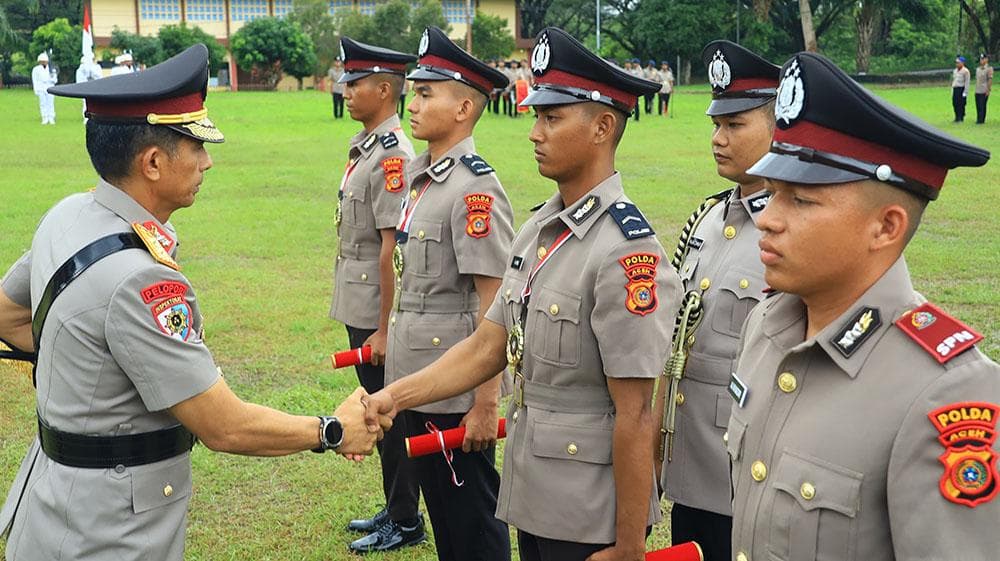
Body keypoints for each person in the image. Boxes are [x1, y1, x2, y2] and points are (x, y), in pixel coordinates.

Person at [0, 45, 387, 561]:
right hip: (107, 533)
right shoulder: (142, 282)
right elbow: (223, 425)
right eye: (196, 146)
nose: (208, 161)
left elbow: (7, 313)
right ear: (153, 162)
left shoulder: (67, 214)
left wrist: (86, 370)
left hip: (50, 503)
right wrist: (332, 431)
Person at [366, 26, 680, 561]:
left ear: (603, 126)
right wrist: (390, 398)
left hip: (588, 513)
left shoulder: (626, 255)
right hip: (532, 492)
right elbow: (489, 346)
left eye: (551, 117)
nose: (534, 131)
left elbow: (638, 414)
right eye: (536, 115)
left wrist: (629, 544)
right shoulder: (541, 229)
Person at [728, 51, 996, 561]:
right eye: (772, 193)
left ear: (886, 226)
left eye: (801, 200)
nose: (767, 219)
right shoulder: (767, 326)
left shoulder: (945, 392)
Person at [379, 26, 514, 561]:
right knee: (444, 516)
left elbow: (495, 299)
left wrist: (485, 402)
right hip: (420, 375)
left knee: (472, 527)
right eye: (414, 91)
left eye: (425, 92)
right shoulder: (425, 178)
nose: (411, 103)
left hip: (457, 388)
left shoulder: (473, 188)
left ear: (463, 108)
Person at [652, 40, 779, 561]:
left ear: (780, 128)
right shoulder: (709, 218)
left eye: (735, 126)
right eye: (716, 125)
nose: (717, 139)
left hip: (751, 474)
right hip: (691, 467)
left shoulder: (790, 233)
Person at [330, 37, 425, 554]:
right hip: (362, 301)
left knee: (387, 414)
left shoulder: (393, 156)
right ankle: (396, 505)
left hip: (377, 310)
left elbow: (392, 249)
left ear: (385, 89)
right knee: (376, 408)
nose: (345, 90)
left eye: (355, 81)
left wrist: (386, 328)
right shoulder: (368, 145)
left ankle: (407, 521)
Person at [76, 54, 103, 122]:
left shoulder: (97, 67)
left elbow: (99, 77)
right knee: (85, 103)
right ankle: (86, 118)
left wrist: (92, 73)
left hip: (95, 88)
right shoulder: (80, 70)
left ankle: (96, 116)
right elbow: (79, 80)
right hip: (85, 88)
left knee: (96, 103)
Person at [31, 53, 56, 125]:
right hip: (41, 87)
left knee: (50, 103)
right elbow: (34, 80)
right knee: (43, 103)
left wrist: (52, 77)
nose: (43, 62)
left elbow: (55, 79)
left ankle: (51, 117)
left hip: (50, 87)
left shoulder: (51, 69)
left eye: (45, 61)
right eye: (42, 61)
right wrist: (36, 89)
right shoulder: (36, 69)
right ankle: (44, 117)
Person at [952, 55, 971, 122]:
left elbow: (967, 82)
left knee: (961, 104)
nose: (957, 64)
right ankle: (956, 116)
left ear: (962, 63)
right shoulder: (955, 71)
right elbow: (954, 80)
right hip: (955, 88)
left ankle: (960, 117)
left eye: (958, 62)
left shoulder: (966, 71)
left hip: (961, 88)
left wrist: (965, 92)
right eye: (956, 62)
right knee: (955, 103)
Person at [975, 53, 993, 124]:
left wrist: (988, 89)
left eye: (983, 59)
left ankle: (981, 120)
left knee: (982, 105)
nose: (981, 60)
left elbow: (990, 79)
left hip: (984, 90)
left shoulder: (989, 69)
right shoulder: (978, 69)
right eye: (981, 59)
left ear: (986, 60)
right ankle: (978, 118)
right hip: (978, 90)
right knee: (978, 105)